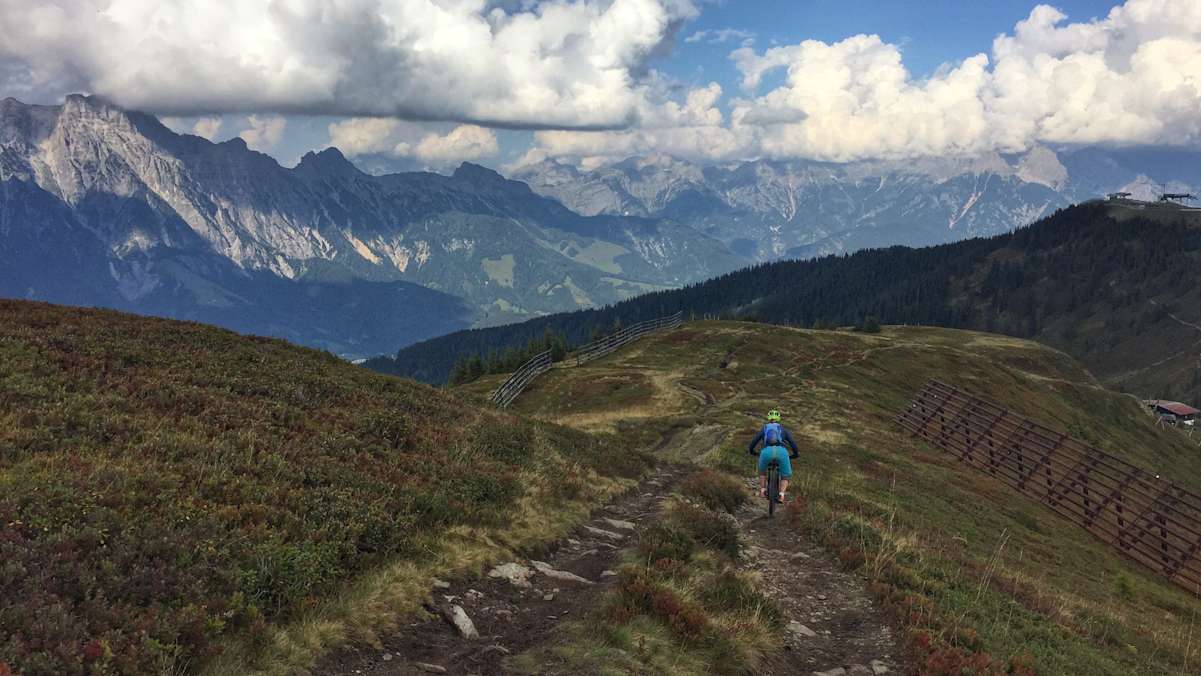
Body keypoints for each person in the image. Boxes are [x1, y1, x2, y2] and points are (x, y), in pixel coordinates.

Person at [747, 409, 799, 502]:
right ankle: (781, 495)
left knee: (762, 472)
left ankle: (762, 491)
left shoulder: (764, 428)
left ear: (768, 418)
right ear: (778, 418)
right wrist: (795, 454)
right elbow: (793, 443)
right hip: (781, 452)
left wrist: (752, 451)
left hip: (766, 452)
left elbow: (754, 441)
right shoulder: (783, 429)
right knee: (786, 475)